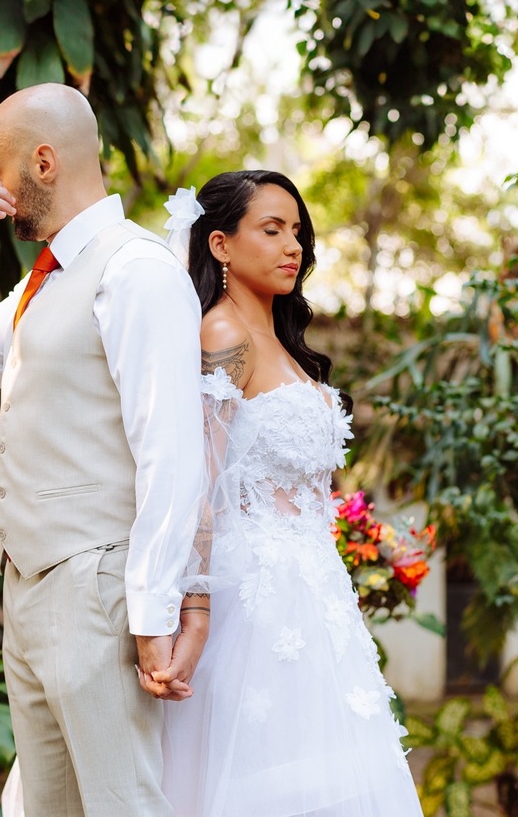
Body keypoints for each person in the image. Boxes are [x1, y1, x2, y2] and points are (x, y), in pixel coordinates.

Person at [0, 83, 208, 817]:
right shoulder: (42, 282)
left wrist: (150, 613)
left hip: (99, 592)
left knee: (121, 805)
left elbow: (170, 452)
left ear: (42, 162)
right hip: (30, 592)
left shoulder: (134, 270)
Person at [158, 170, 425, 816]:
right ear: (219, 244)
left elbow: (291, 486)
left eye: (297, 232)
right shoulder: (223, 336)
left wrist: (376, 539)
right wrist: (190, 613)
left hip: (317, 597)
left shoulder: (286, 345)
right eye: (271, 229)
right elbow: (198, 482)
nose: (292, 247)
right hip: (252, 603)